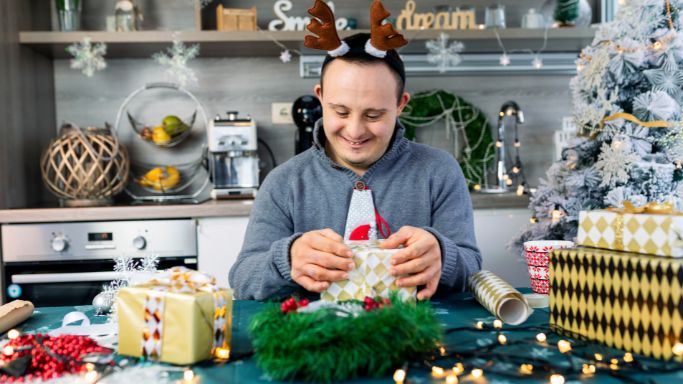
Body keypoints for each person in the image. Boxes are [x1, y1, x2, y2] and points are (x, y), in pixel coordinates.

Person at [229, 0, 481, 301]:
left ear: (401, 105)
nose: (355, 131)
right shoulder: (284, 182)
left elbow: (471, 268)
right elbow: (243, 276)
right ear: (321, 98)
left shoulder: (439, 171)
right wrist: (286, 259)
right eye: (341, 112)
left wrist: (442, 254)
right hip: (315, 337)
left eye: (373, 115)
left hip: (415, 334)